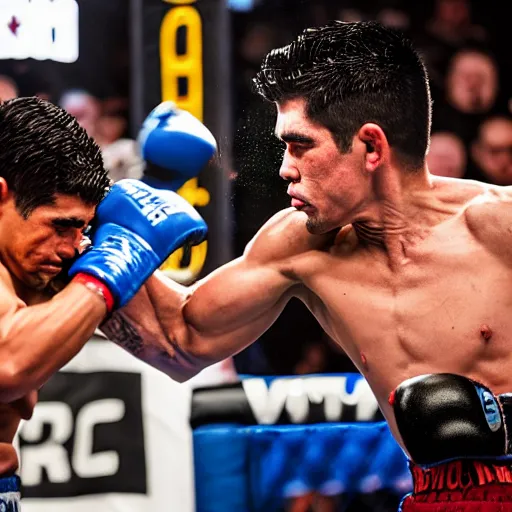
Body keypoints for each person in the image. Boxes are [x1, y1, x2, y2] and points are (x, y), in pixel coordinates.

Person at [101, 21, 512, 511]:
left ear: (371, 147)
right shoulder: (300, 246)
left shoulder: (497, 226)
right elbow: (180, 341)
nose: (284, 168)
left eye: (300, 145)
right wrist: (92, 232)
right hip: (434, 498)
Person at [0, 97, 213, 510]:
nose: (72, 246)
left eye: (81, 227)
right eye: (60, 225)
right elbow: (8, 365)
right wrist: (111, 269)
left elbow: (182, 348)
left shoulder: (43, 263)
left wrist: (292, 261)